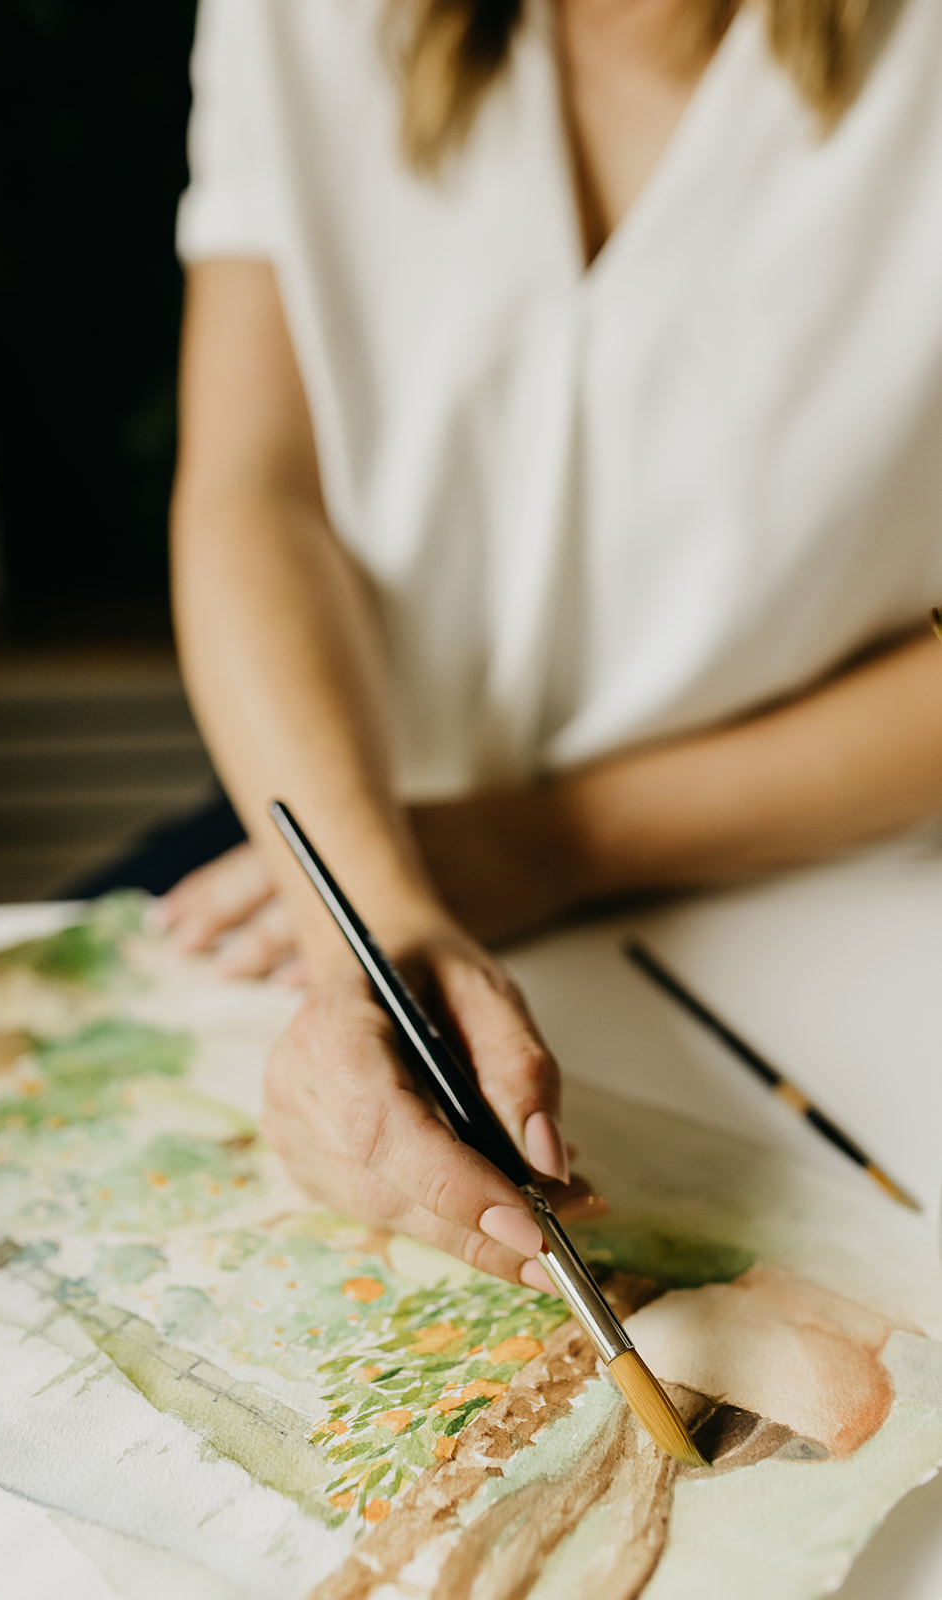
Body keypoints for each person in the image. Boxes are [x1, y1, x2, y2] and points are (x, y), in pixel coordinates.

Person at [156, 0, 942, 1297]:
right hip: (368, 820)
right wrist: (380, 909)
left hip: (827, 887)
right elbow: (256, 488)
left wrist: (549, 840)